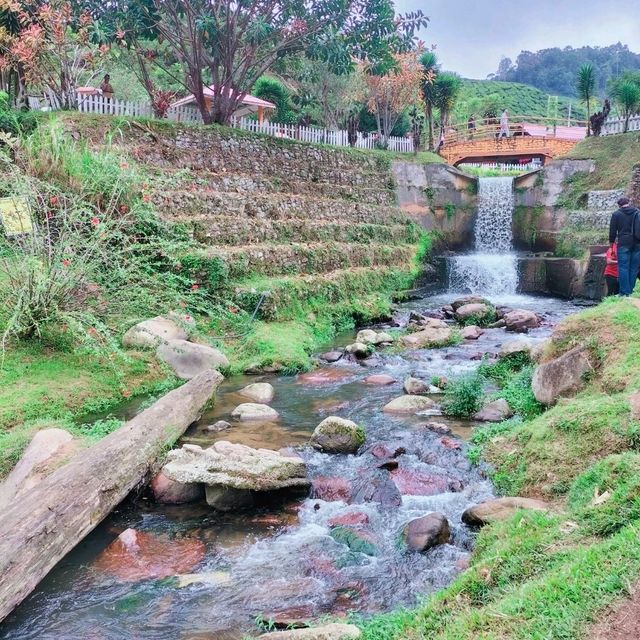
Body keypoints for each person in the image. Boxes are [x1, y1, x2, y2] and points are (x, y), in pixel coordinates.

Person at [609, 196, 640, 296]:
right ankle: (630, 291)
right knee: (634, 268)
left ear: (619, 205)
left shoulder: (616, 214)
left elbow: (612, 232)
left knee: (623, 268)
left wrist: (611, 245)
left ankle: (624, 293)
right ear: (629, 202)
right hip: (637, 243)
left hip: (623, 243)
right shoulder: (637, 212)